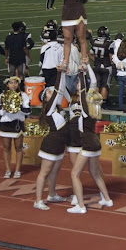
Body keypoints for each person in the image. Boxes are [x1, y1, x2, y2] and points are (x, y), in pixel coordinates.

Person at [68, 65, 113, 214]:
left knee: (75, 174)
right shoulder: (94, 108)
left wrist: (81, 73)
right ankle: (107, 199)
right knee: (95, 173)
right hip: (95, 142)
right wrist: (87, 66)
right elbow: (93, 83)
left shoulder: (86, 109)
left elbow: (84, 91)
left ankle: (80, 205)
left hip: (87, 143)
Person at [34, 69, 69, 210]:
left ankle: (52, 194)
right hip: (51, 144)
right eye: (48, 93)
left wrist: (64, 74)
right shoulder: (49, 108)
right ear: (46, 99)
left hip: (60, 144)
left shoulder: (57, 109)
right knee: (45, 172)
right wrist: (59, 73)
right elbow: (57, 90)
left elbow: (60, 89)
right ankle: (37, 200)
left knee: (55, 170)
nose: (51, 93)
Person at [0, 76, 31, 179]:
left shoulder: (23, 95)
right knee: (6, 148)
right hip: (6, 124)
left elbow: (28, 110)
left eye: (15, 83)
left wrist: (17, 107)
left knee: (18, 147)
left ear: (18, 84)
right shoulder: (2, 95)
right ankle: (8, 169)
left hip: (17, 124)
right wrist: (6, 107)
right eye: (11, 83)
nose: (13, 85)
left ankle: (18, 170)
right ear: (7, 85)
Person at [89, 26, 114, 109]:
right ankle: (104, 102)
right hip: (106, 66)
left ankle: (96, 101)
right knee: (104, 85)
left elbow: (90, 53)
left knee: (97, 84)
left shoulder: (94, 42)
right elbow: (111, 56)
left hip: (96, 66)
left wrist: (95, 60)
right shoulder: (109, 43)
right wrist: (111, 62)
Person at [112, 39, 126, 111]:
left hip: (119, 75)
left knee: (120, 93)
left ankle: (121, 107)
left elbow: (114, 67)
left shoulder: (115, 58)